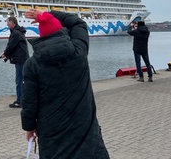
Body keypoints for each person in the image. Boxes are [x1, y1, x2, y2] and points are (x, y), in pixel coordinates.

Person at [21, 9, 110, 158]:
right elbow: (78, 23)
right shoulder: (79, 52)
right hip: (85, 131)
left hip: (52, 134)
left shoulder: (32, 64)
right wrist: (48, 13)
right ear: (61, 32)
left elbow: (29, 102)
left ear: (42, 36)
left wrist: (29, 128)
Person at [1, 16, 29, 108]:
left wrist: (5, 53)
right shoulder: (18, 32)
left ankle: (20, 101)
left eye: (8, 22)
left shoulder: (16, 33)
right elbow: (15, 47)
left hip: (20, 60)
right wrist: (7, 56)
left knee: (19, 80)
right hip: (22, 59)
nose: (7, 24)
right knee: (22, 80)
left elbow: (11, 46)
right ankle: (22, 100)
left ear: (13, 23)